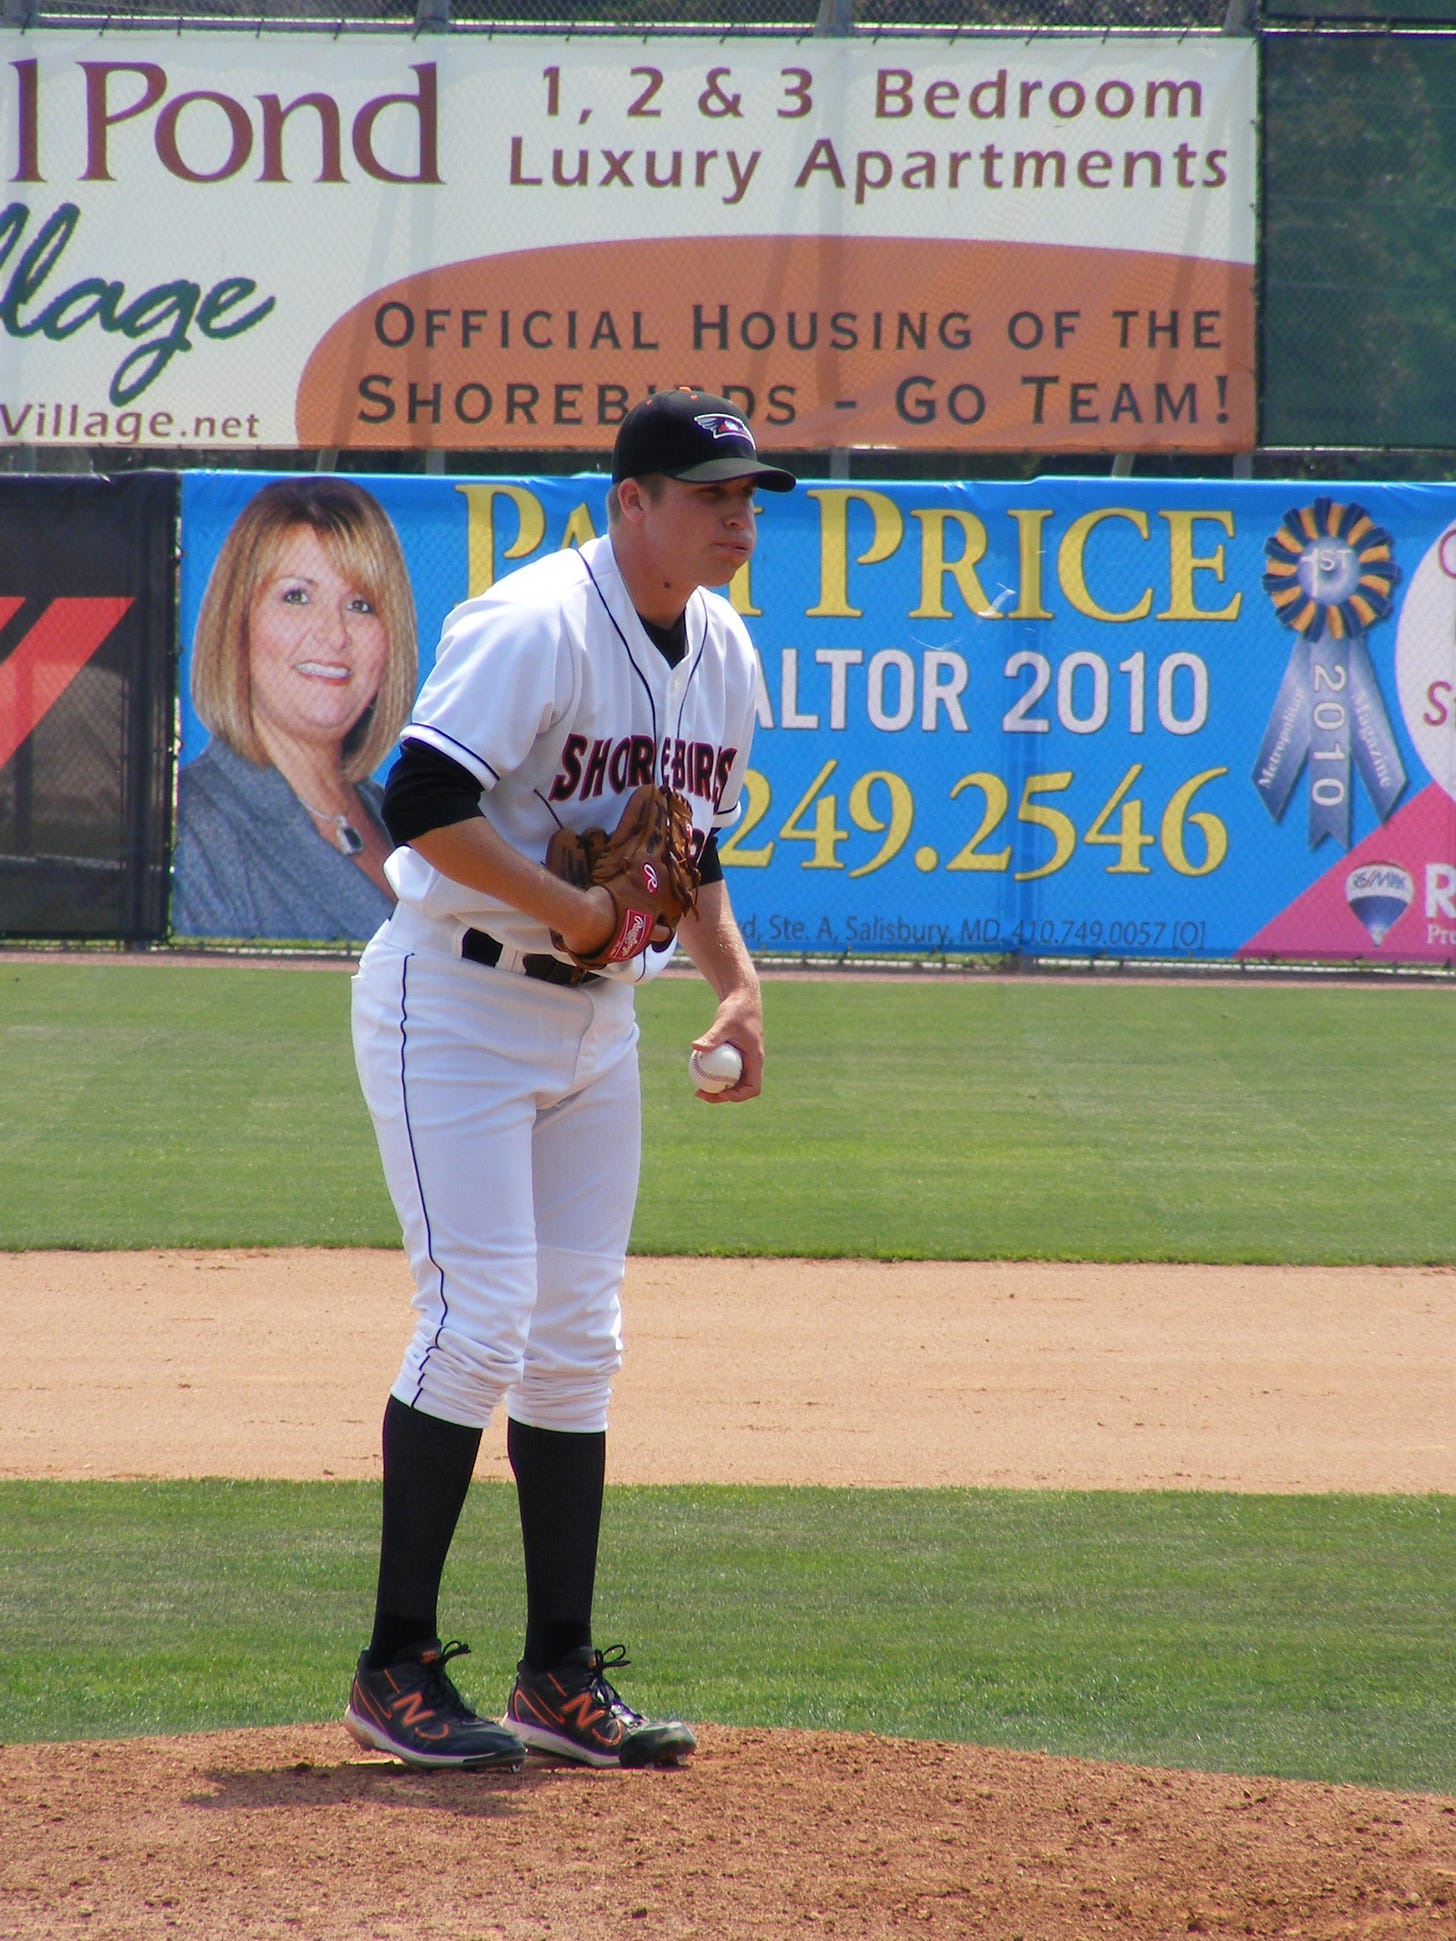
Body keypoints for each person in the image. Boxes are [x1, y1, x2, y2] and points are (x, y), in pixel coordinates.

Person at [343, 390, 795, 1772]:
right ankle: (395, 1666)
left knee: (578, 1339)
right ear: (632, 501)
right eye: (712, 492)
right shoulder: (537, 620)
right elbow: (415, 798)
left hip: (597, 1024)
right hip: (456, 998)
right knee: (476, 1317)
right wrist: (575, 908)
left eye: (748, 495)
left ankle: (557, 1674)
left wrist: (736, 979)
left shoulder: (723, 652)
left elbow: (684, 847)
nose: (738, 517)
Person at [173, 477, 418, 942]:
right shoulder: (196, 829)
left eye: (361, 604)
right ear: (237, 624)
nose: (334, 634)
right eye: (297, 597)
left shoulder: (401, 818)